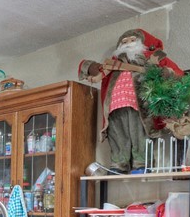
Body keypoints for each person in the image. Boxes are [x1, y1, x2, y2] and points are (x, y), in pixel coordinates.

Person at [78, 29, 184, 172]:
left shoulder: (151, 59)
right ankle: (118, 165)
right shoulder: (113, 64)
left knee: (140, 134)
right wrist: (91, 67)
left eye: (133, 40)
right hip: (114, 106)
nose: (128, 43)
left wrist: (165, 73)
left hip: (139, 105)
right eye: (124, 41)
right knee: (117, 135)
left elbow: (177, 74)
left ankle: (141, 164)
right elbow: (87, 68)